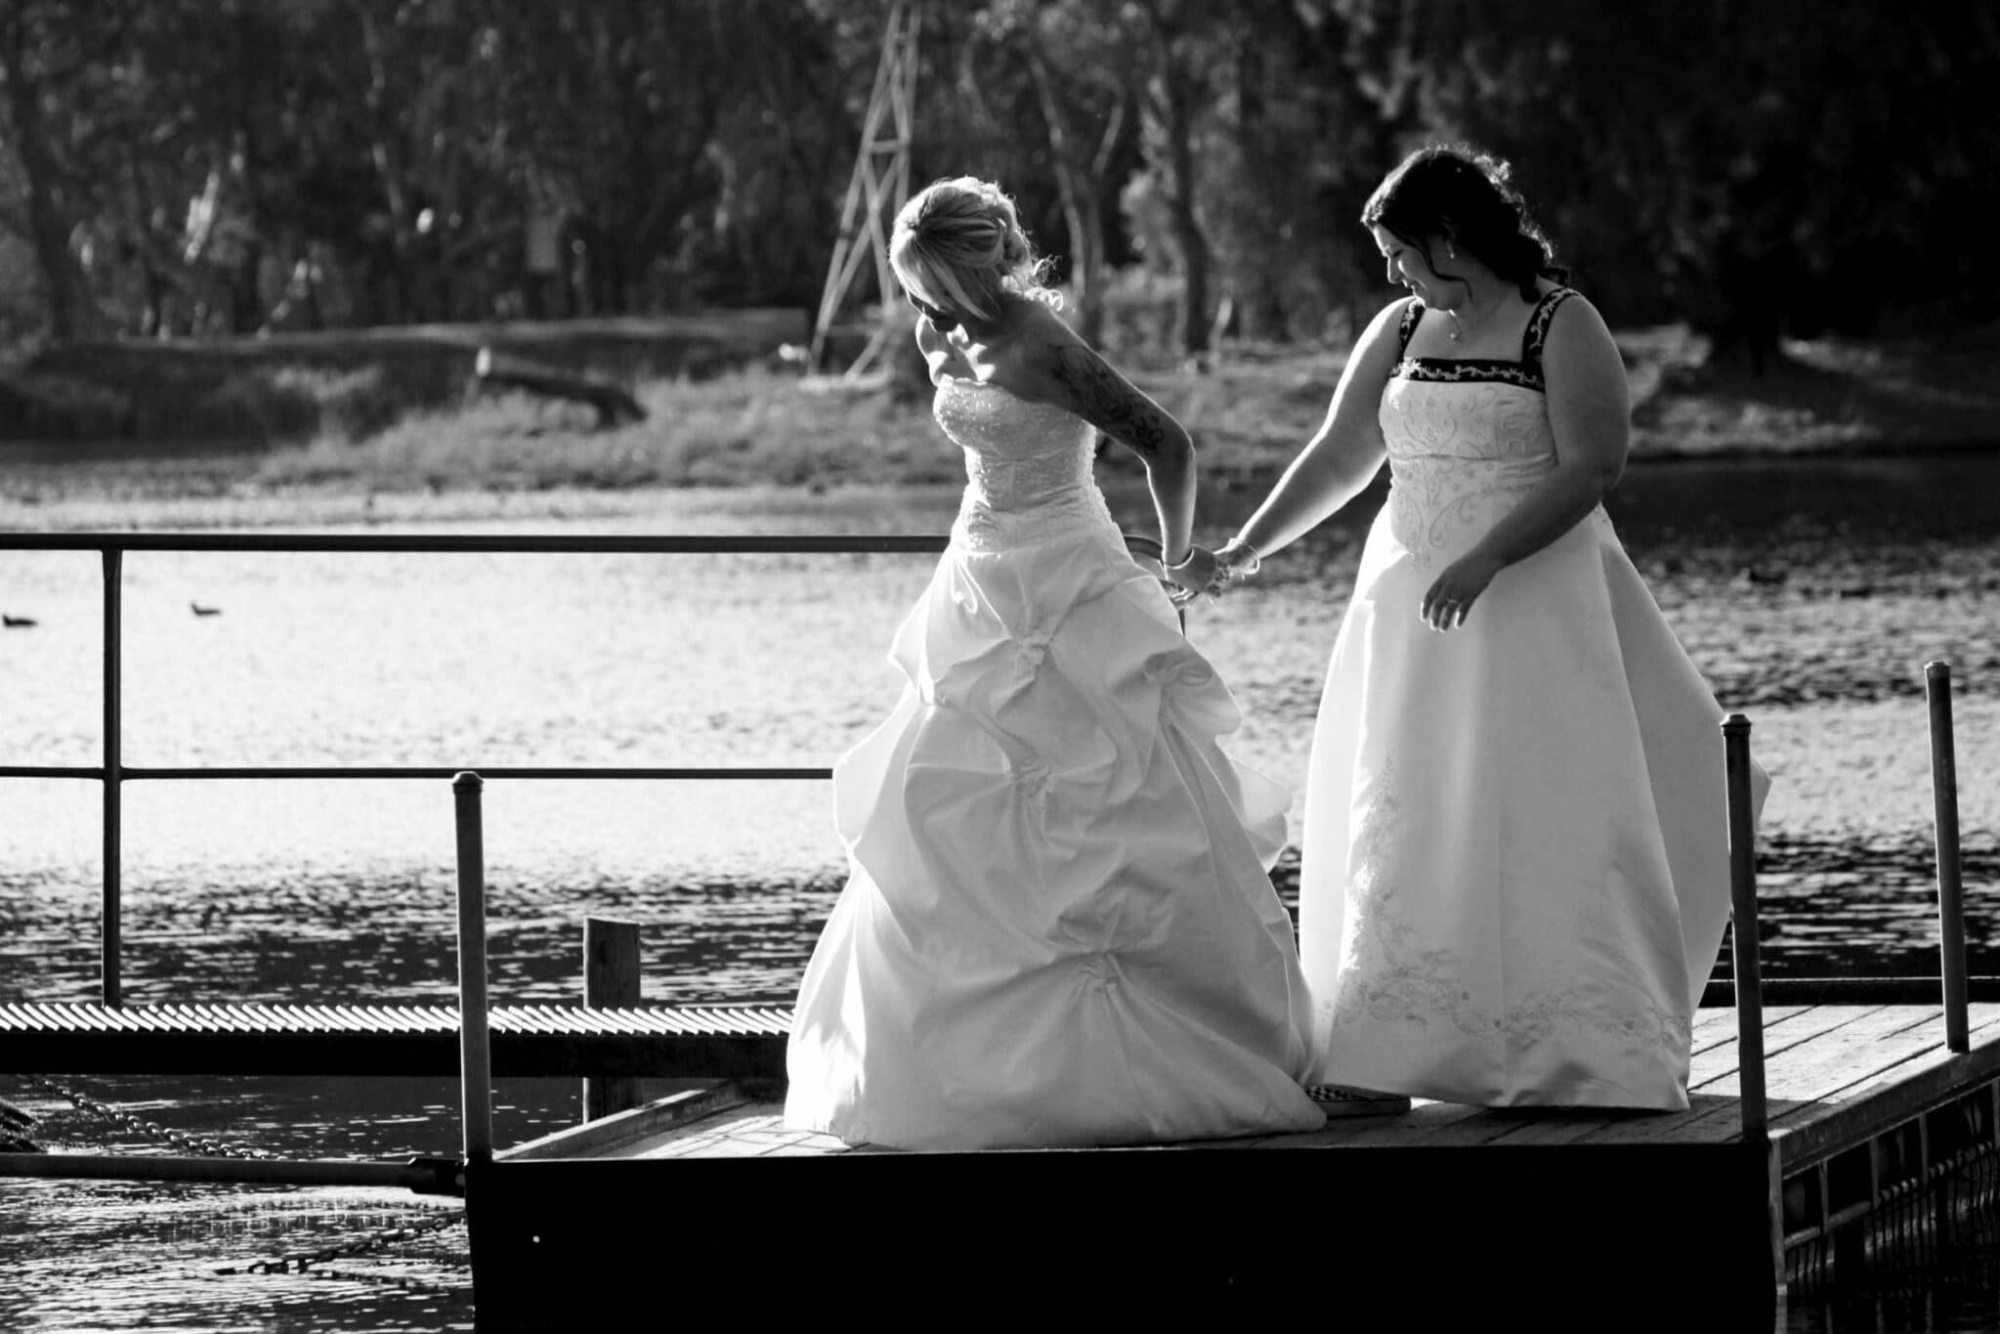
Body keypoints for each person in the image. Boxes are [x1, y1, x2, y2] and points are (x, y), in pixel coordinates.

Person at [1182, 144, 1768, 1110]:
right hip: (1408, 609)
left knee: (1543, 814)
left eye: (1403, 254)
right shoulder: (1402, 328)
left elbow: (1593, 467)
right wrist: (1240, 551)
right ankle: (1382, 1056)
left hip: (1538, 604)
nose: (1394, 275)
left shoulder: (1560, 323)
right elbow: (1340, 456)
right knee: (1403, 813)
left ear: (1453, 237)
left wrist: (1491, 555)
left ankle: (1576, 1052)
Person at [783, 177, 1326, 1149]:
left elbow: (1166, 443)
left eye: (939, 284)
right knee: (943, 796)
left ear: (984, 261)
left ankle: (1169, 1046)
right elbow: (976, 450)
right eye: (916, 289)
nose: (927, 310)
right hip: (978, 578)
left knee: (1118, 798)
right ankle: (953, 1070)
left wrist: (1172, 562)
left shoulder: (1041, 342)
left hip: (1070, 569)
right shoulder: (931, 331)